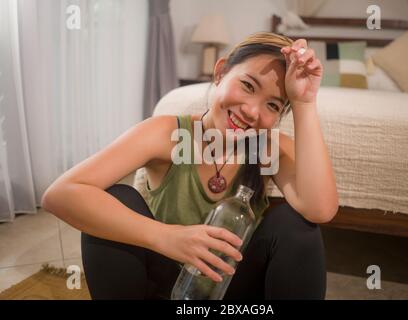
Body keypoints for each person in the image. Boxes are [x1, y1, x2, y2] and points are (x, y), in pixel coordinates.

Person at [41, 32, 339, 300]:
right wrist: (166, 237)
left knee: (296, 224)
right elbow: (61, 193)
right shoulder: (167, 134)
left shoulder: (269, 147)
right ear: (221, 72)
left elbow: (320, 209)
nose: (251, 112)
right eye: (248, 86)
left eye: (272, 105)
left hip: (232, 294)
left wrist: (304, 102)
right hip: (165, 287)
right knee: (118, 199)